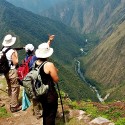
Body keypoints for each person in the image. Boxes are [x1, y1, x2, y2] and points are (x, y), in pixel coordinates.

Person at [35, 42, 59, 125]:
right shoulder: (49, 64)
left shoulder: (36, 63)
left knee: (46, 111)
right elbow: (56, 79)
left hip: (41, 93)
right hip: (49, 94)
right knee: (51, 114)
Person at [2, 34, 21, 113]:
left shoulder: (2, 50)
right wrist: (16, 54)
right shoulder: (12, 51)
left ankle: (12, 101)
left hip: (6, 71)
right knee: (15, 88)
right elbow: (15, 62)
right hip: (12, 71)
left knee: (10, 86)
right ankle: (14, 106)